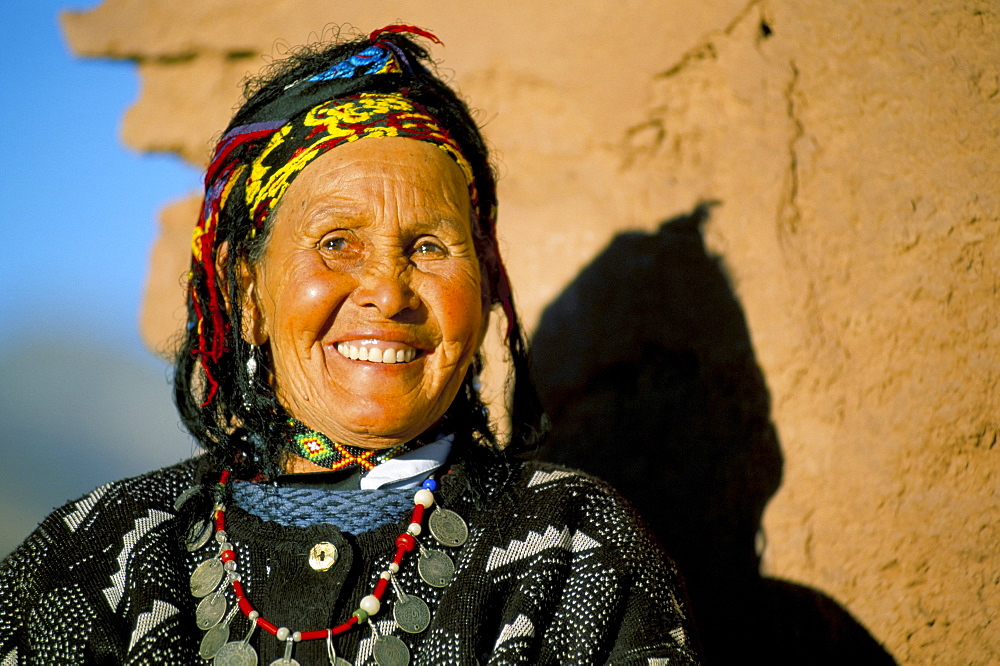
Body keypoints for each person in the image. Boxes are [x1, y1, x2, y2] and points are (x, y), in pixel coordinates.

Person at [0, 26, 700, 665]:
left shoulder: (569, 549)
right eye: (337, 243)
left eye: (429, 246)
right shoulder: (98, 555)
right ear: (249, 296)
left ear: (485, 287)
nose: (388, 293)